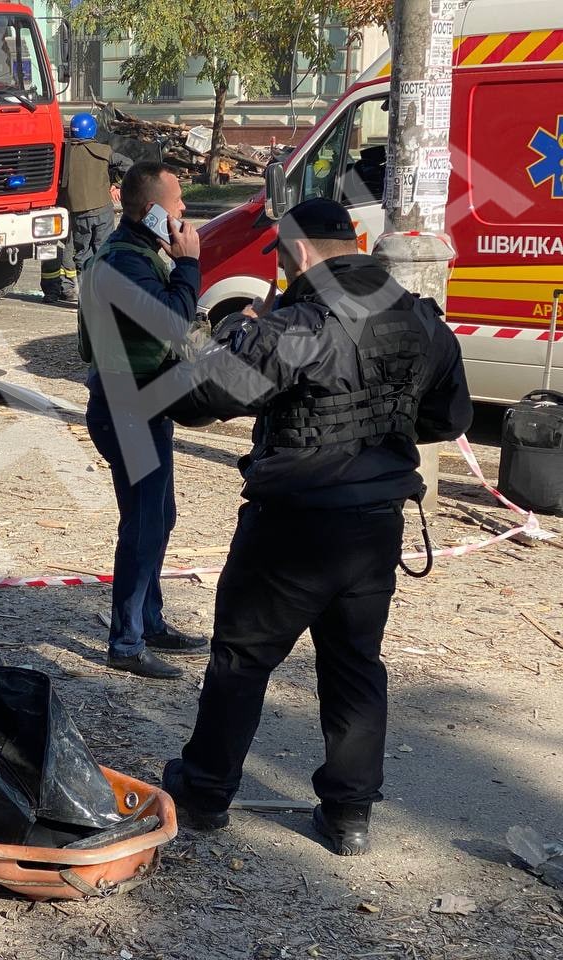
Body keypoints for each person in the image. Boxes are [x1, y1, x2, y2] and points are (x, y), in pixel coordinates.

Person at [160, 197, 474, 855]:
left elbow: (193, 400)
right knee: (355, 667)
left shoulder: (295, 327)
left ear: (299, 253)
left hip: (292, 527)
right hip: (375, 527)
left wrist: (229, 331)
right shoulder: (422, 320)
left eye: (281, 257)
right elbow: (449, 418)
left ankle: (205, 794)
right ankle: (349, 817)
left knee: (242, 659)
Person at [77, 162, 209, 679]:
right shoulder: (124, 263)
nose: (184, 211)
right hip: (125, 410)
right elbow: (171, 321)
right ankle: (127, 642)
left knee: (159, 517)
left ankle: (149, 622)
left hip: (141, 406)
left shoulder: (136, 253)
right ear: (152, 210)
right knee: (143, 525)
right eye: (177, 202)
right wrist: (189, 264)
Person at [41, 114, 131, 305]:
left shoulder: (63, 153)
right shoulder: (103, 151)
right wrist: (117, 184)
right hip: (102, 210)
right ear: (92, 130)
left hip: (76, 212)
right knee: (103, 250)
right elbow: (128, 165)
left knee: (81, 253)